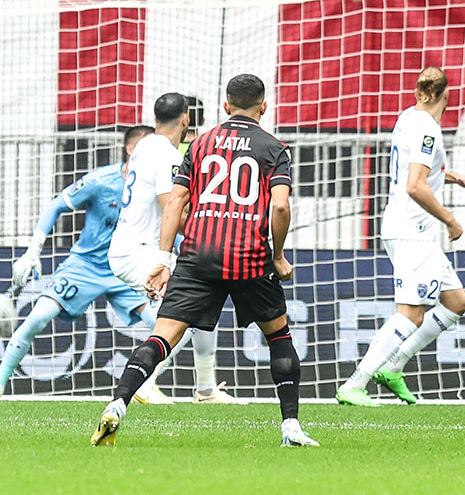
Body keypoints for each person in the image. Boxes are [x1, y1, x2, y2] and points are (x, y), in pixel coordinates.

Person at [92, 74, 318, 447]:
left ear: (225, 107)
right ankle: (291, 427)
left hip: (198, 254)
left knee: (162, 336)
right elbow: (280, 205)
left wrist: (164, 259)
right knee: (278, 336)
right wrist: (277, 256)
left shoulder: (198, 146)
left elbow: (176, 203)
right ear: (264, 107)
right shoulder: (274, 148)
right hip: (248, 255)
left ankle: (119, 402)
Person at [335, 67, 465, 407]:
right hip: (414, 231)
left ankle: (394, 366)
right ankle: (355, 384)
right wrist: (450, 219)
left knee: (456, 302)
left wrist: (451, 177)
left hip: (404, 226)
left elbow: (411, 169)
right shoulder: (429, 130)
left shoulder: (409, 117)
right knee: (411, 313)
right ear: (447, 94)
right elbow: (415, 184)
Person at [0, 127, 167, 400]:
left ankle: (148, 386)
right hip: (85, 266)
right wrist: (32, 251)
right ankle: (1, 380)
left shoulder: (155, 188)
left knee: (163, 326)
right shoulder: (101, 180)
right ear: (131, 150)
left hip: (126, 268)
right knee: (38, 318)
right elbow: (56, 205)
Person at [107, 93, 243, 404]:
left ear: (155, 118)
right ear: (185, 118)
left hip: (130, 244)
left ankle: (206, 389)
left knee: (205, 297)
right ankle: (146, 381)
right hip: (138, 250)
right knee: (187, 309)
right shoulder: (166, 154)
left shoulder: (144, 145)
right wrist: (214, 227)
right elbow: (171, 208)